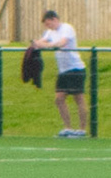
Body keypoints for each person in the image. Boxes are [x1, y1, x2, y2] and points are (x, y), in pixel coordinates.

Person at [31, 9, 86, 137]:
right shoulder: (50, 32)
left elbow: (62, 43)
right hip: (63, 70)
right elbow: (41, 42)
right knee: (59, 99)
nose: (48, 27)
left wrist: (47, 45)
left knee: (78, 98)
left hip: (75, 68)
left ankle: (82, 130)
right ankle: (68, 128)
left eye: (49, 23)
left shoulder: (67, 28)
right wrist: (36, 43)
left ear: (54, 19)